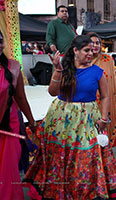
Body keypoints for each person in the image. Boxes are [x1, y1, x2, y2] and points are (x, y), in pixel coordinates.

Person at [23, 35, 116, 199]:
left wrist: (104, 118)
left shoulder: (97, 72)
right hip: (63, 119)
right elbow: (52, 92)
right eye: (87, 50)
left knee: (87, 155)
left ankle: (85, 190)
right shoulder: (64, 68)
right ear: (75, 51)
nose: (91, 53)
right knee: (62, 154)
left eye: (92, 50)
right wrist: (57, 69)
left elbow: (105, 96)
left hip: (88, 119)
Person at [0, 30, 36, 199]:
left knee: (8, 171)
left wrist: (32, 122)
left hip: (9, 126)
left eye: (0, 41)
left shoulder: (13, 67)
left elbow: (21, 98)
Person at [87, 32, 116, 147]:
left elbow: (113, 81)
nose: (95, 45)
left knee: (105, 134)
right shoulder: (84, 60)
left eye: (98, 43)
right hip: (90, 103)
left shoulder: (108, 59)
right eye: (92, 43)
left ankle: (105, 158)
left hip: (106, 101)